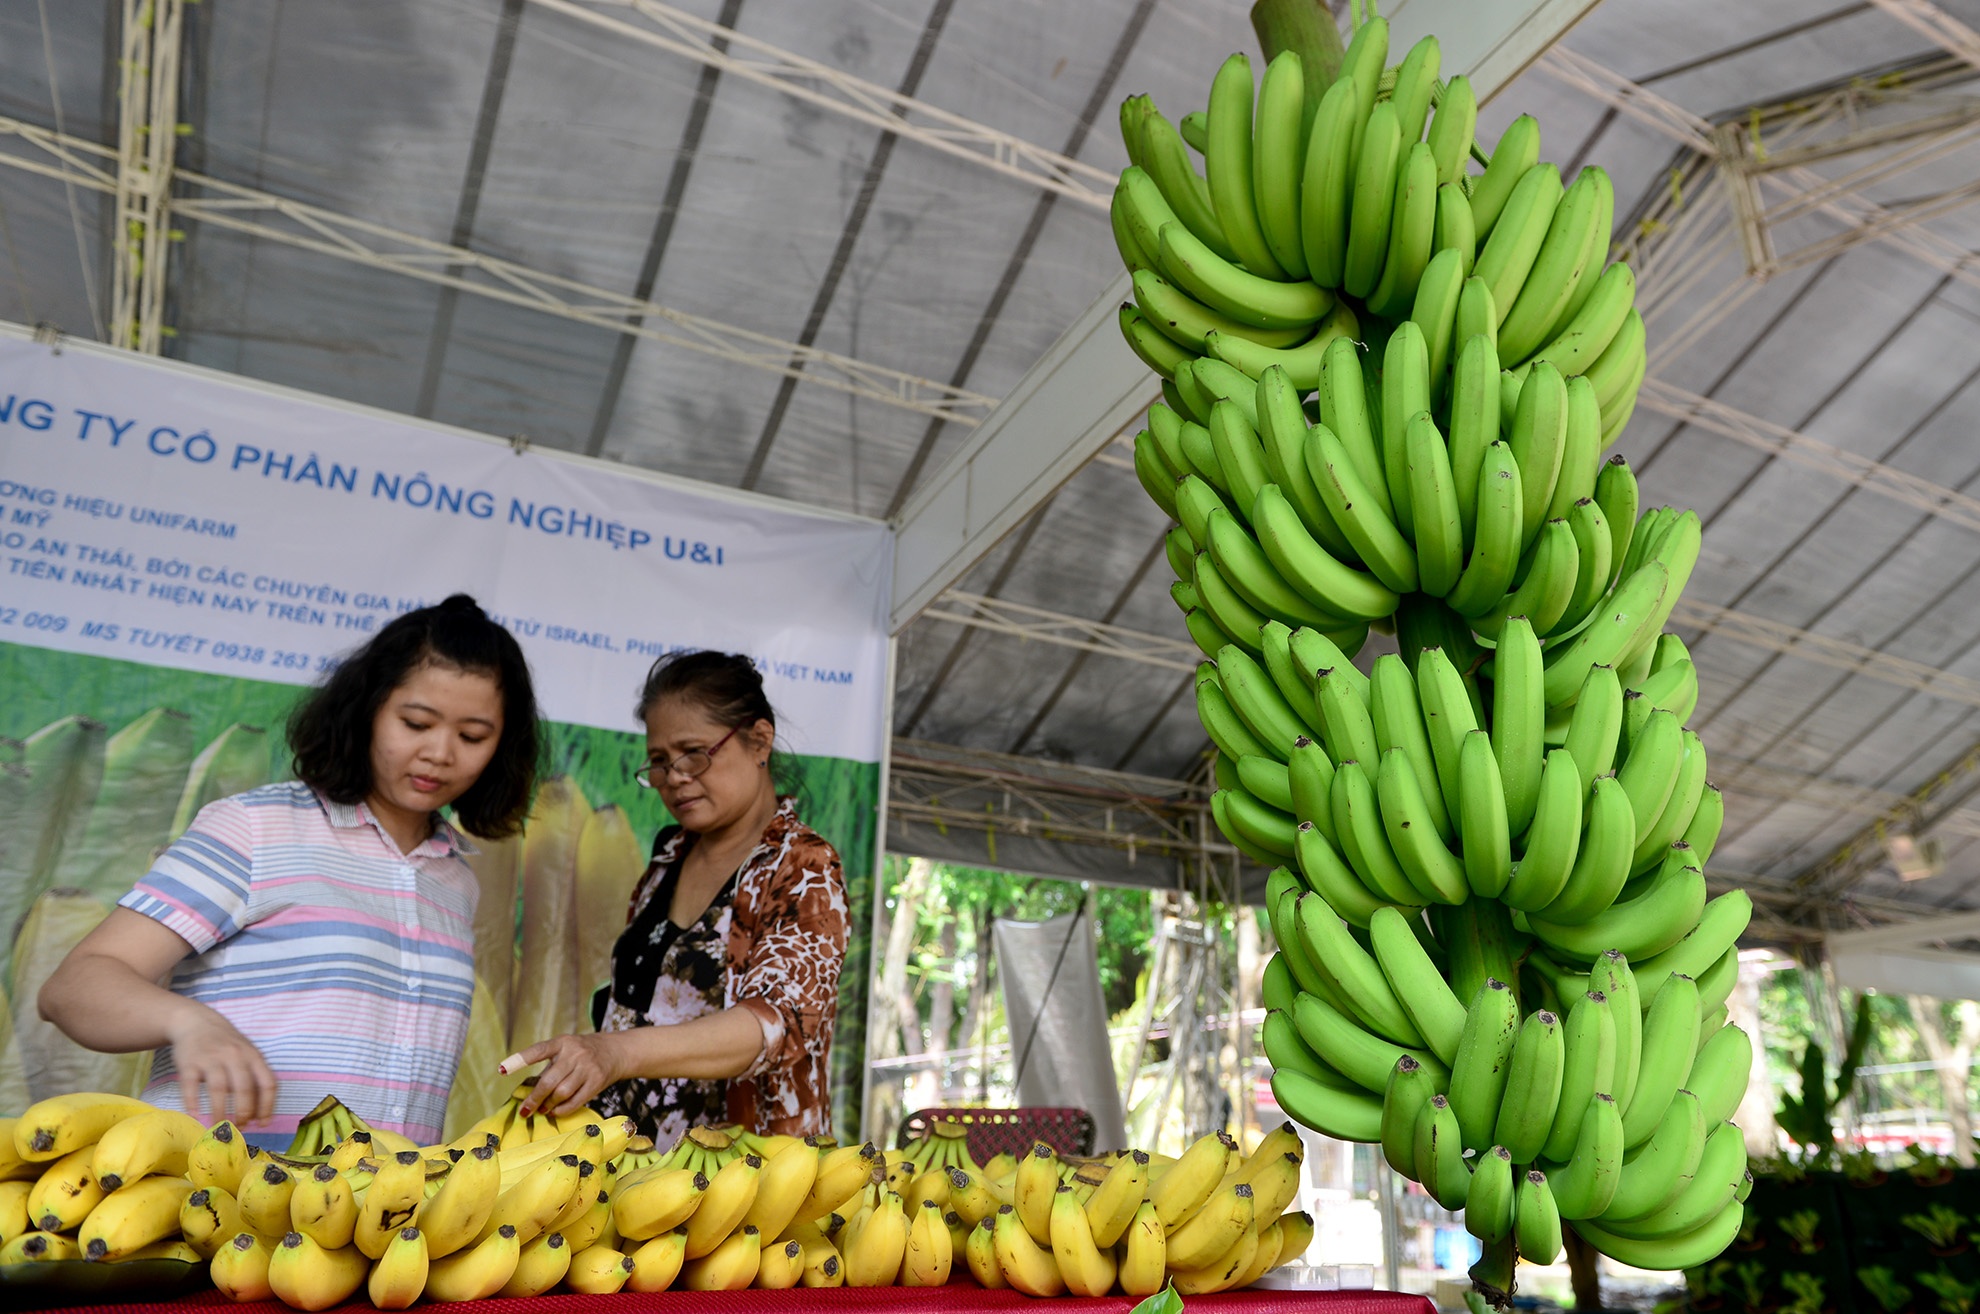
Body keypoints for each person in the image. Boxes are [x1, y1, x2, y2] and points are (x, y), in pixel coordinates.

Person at [38, 594, 540, 1146]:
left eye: (472, 737)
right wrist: (189, 1022)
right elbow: (74, 988)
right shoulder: (257, 827)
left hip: (371, 1215)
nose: (440, 753)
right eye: (416, 723)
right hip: (217, 1200)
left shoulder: (456, 881)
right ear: (368, 709)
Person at [508, 650, 848, 1143]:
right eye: (660, 763)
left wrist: (615, 1052)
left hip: (737, 1180)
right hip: (627, 1164)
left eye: (694, 753)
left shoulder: (803, 867)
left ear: (759, 740)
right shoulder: (668, 857)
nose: (675, 778)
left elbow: (773, 1027)